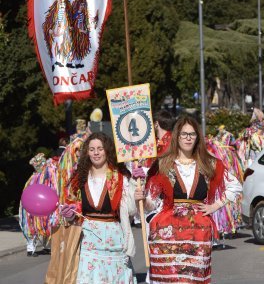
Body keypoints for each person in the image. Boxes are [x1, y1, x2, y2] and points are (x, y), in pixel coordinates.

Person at [135, 115, 242, 284]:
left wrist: (214, 206)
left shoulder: (209, 163)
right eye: (184, 134)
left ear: (197, 137)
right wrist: (139, 200)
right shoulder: (162, 164)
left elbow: (235, 186)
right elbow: (152, 204)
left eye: (192, 134)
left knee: (194, 279)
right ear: (176, 136)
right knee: (169, 279)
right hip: (166, 235)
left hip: (197, 233)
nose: (188, 138)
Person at [60, 132, 137, 283]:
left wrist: (135, 185)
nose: (96, 153)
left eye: (100, 148)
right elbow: (73, 212)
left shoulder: (120, 177)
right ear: (87, 152)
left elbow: (131, 210)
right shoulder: (79, 179)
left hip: (115, 239)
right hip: (88, 241)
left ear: (107, 150)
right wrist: (68, 214)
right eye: (92, 149)